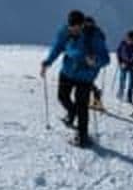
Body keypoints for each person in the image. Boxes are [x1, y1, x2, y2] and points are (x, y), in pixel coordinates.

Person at [41, 10, 110, 147]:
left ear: (82, 25)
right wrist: (47, 62)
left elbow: (106, 59)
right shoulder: (65, 32)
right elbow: (57, 47)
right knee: (62, 97)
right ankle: (72, 113)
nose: (73, 30)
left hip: (85, 76)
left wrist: (95, 61)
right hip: (67, 72)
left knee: (82, 105)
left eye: (77, 28)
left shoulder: (94, 36)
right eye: (71, 27)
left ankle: (82, 135)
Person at [116, 30, 133, 103]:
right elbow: (119, 52)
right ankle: (121, 92)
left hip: (132, 65)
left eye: (130, 39)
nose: (129, 40)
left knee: (131, 81)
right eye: (127, 38)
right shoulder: (123, 43)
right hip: (124, 63)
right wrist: (120, 62)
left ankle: (129, 96)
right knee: (122, 79)